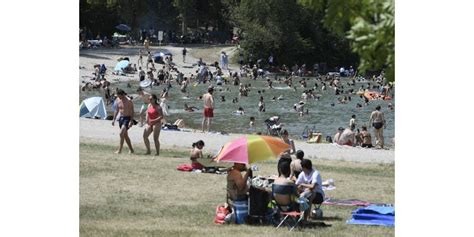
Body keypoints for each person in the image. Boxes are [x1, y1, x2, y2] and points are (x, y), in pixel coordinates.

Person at [112, 89, 135, 154]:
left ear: (123, 95)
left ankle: (119, 150)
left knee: (121, 133)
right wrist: (114, 119)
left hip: (127, 118)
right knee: (125, 135)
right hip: (121, 118)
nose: (118, 97)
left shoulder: (129, 101)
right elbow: (116, 110)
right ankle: (131, 149)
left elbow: (132, 111)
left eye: (119, 96)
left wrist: (131, 121)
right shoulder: (118, 100)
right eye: (118, 96)